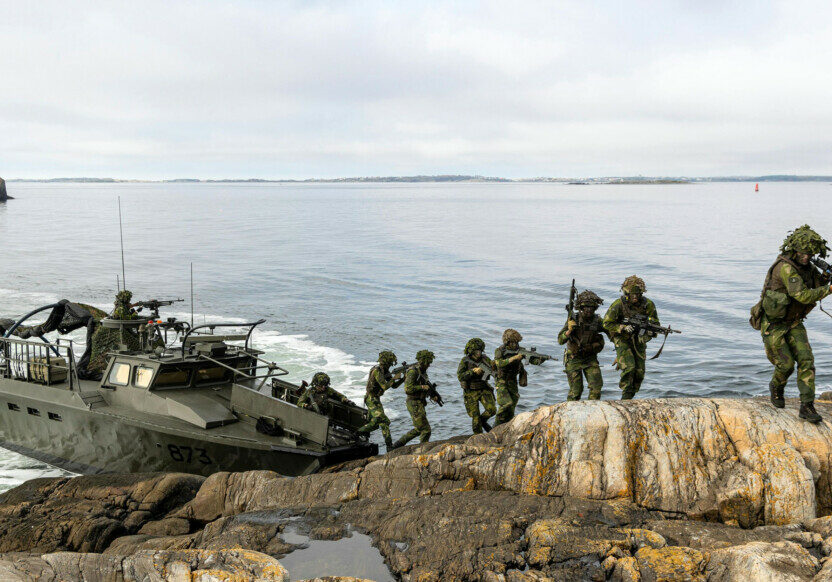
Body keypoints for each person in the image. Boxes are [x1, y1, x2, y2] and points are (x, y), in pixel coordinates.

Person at [756, 225, 832, 423]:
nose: (807, 257)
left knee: (807, 360)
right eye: (803, 253)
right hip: (774, 325)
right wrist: (830, 288)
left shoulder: (807, 266)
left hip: (793, 322)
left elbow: (816, 285)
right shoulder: (786, 267)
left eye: (810, 254)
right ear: (794, 250)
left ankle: (807, 406)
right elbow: (803, 295)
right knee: (786, 364)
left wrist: (825, 277)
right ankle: (776, 386)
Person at [603, 276, 659, 400]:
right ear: (626, 292)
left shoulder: (648, 304)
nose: (635, 297)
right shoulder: (618, 304)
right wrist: (622, 327)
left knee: (639, 372)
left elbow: (656, 323)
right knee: (629, 368)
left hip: (639, 340)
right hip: (622, 339)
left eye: (638, 294)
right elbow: (606, 323)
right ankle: (625, 396)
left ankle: (629, 397)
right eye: (632, 294)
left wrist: (648, 331)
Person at [558, 290, 606, 400]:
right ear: (580, 307)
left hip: (590, 358)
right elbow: (560, 340)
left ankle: (592, 410)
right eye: (586, 307)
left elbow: (611, 332)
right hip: (573, 358)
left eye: (591, 307)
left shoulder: (598, 321)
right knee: (576, 391)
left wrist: (621, 351)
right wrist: (569, 331)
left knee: (596, 388)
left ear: (595, 308)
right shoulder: (573, 319)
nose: (588, 310)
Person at [390, 349, 439, 449]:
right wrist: (421, 388)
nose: (429, 365)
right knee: (425, 430)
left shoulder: (422, 371)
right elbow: (408, 389)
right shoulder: (413, 371)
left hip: (419, 403)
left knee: (418, 429)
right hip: (413, 403)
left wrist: (431, 395)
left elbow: (425, 385)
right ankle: (422, 450)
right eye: (428, 363)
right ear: (423, 362)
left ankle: (395, 446)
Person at [356, 351, 405, 449]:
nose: (391, 365)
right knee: (382, 420)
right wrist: (394, 378)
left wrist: (403, 378)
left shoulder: (385, 371)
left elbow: (394, 386)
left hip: (375, 399)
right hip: (371, 399)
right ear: (386, 362)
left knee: (380, 423)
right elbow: (384, 386)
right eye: (390, 363)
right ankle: (357, 433)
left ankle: (388, 446)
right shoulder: (377, 371)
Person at [492, 329, 542, 425]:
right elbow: (499, 363)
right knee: (506, 403)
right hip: (501, 380)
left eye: (517, 342)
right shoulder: (500, 351)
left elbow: (534, 361)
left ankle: (506, 424)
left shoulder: (521, 350)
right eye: (513, 342)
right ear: (507, 342)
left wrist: (540, 359)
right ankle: (496, 425)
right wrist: (514, 358)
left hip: (512, 380)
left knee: (513, 404)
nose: (515, 345)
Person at [88, 290, 142, 376]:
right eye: (128, 298)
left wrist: (134, 307)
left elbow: (127, 310)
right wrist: (136, 312)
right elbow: (127, 318)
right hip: (114, 331)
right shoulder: (121, 308)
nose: (129, 300)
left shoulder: (122, 306)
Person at [457, 337, 496, 434]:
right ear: (471, 351)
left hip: (483, 388)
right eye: (476, 351)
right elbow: (460, 376)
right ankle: (478, 436)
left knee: (492, 410)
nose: (478, 353)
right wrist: (473, 371)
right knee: (475, 418)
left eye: (480, 350)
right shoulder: (465, 361)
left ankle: (483, 421)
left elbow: (493, 371)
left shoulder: (485, 359)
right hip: (471, 391)